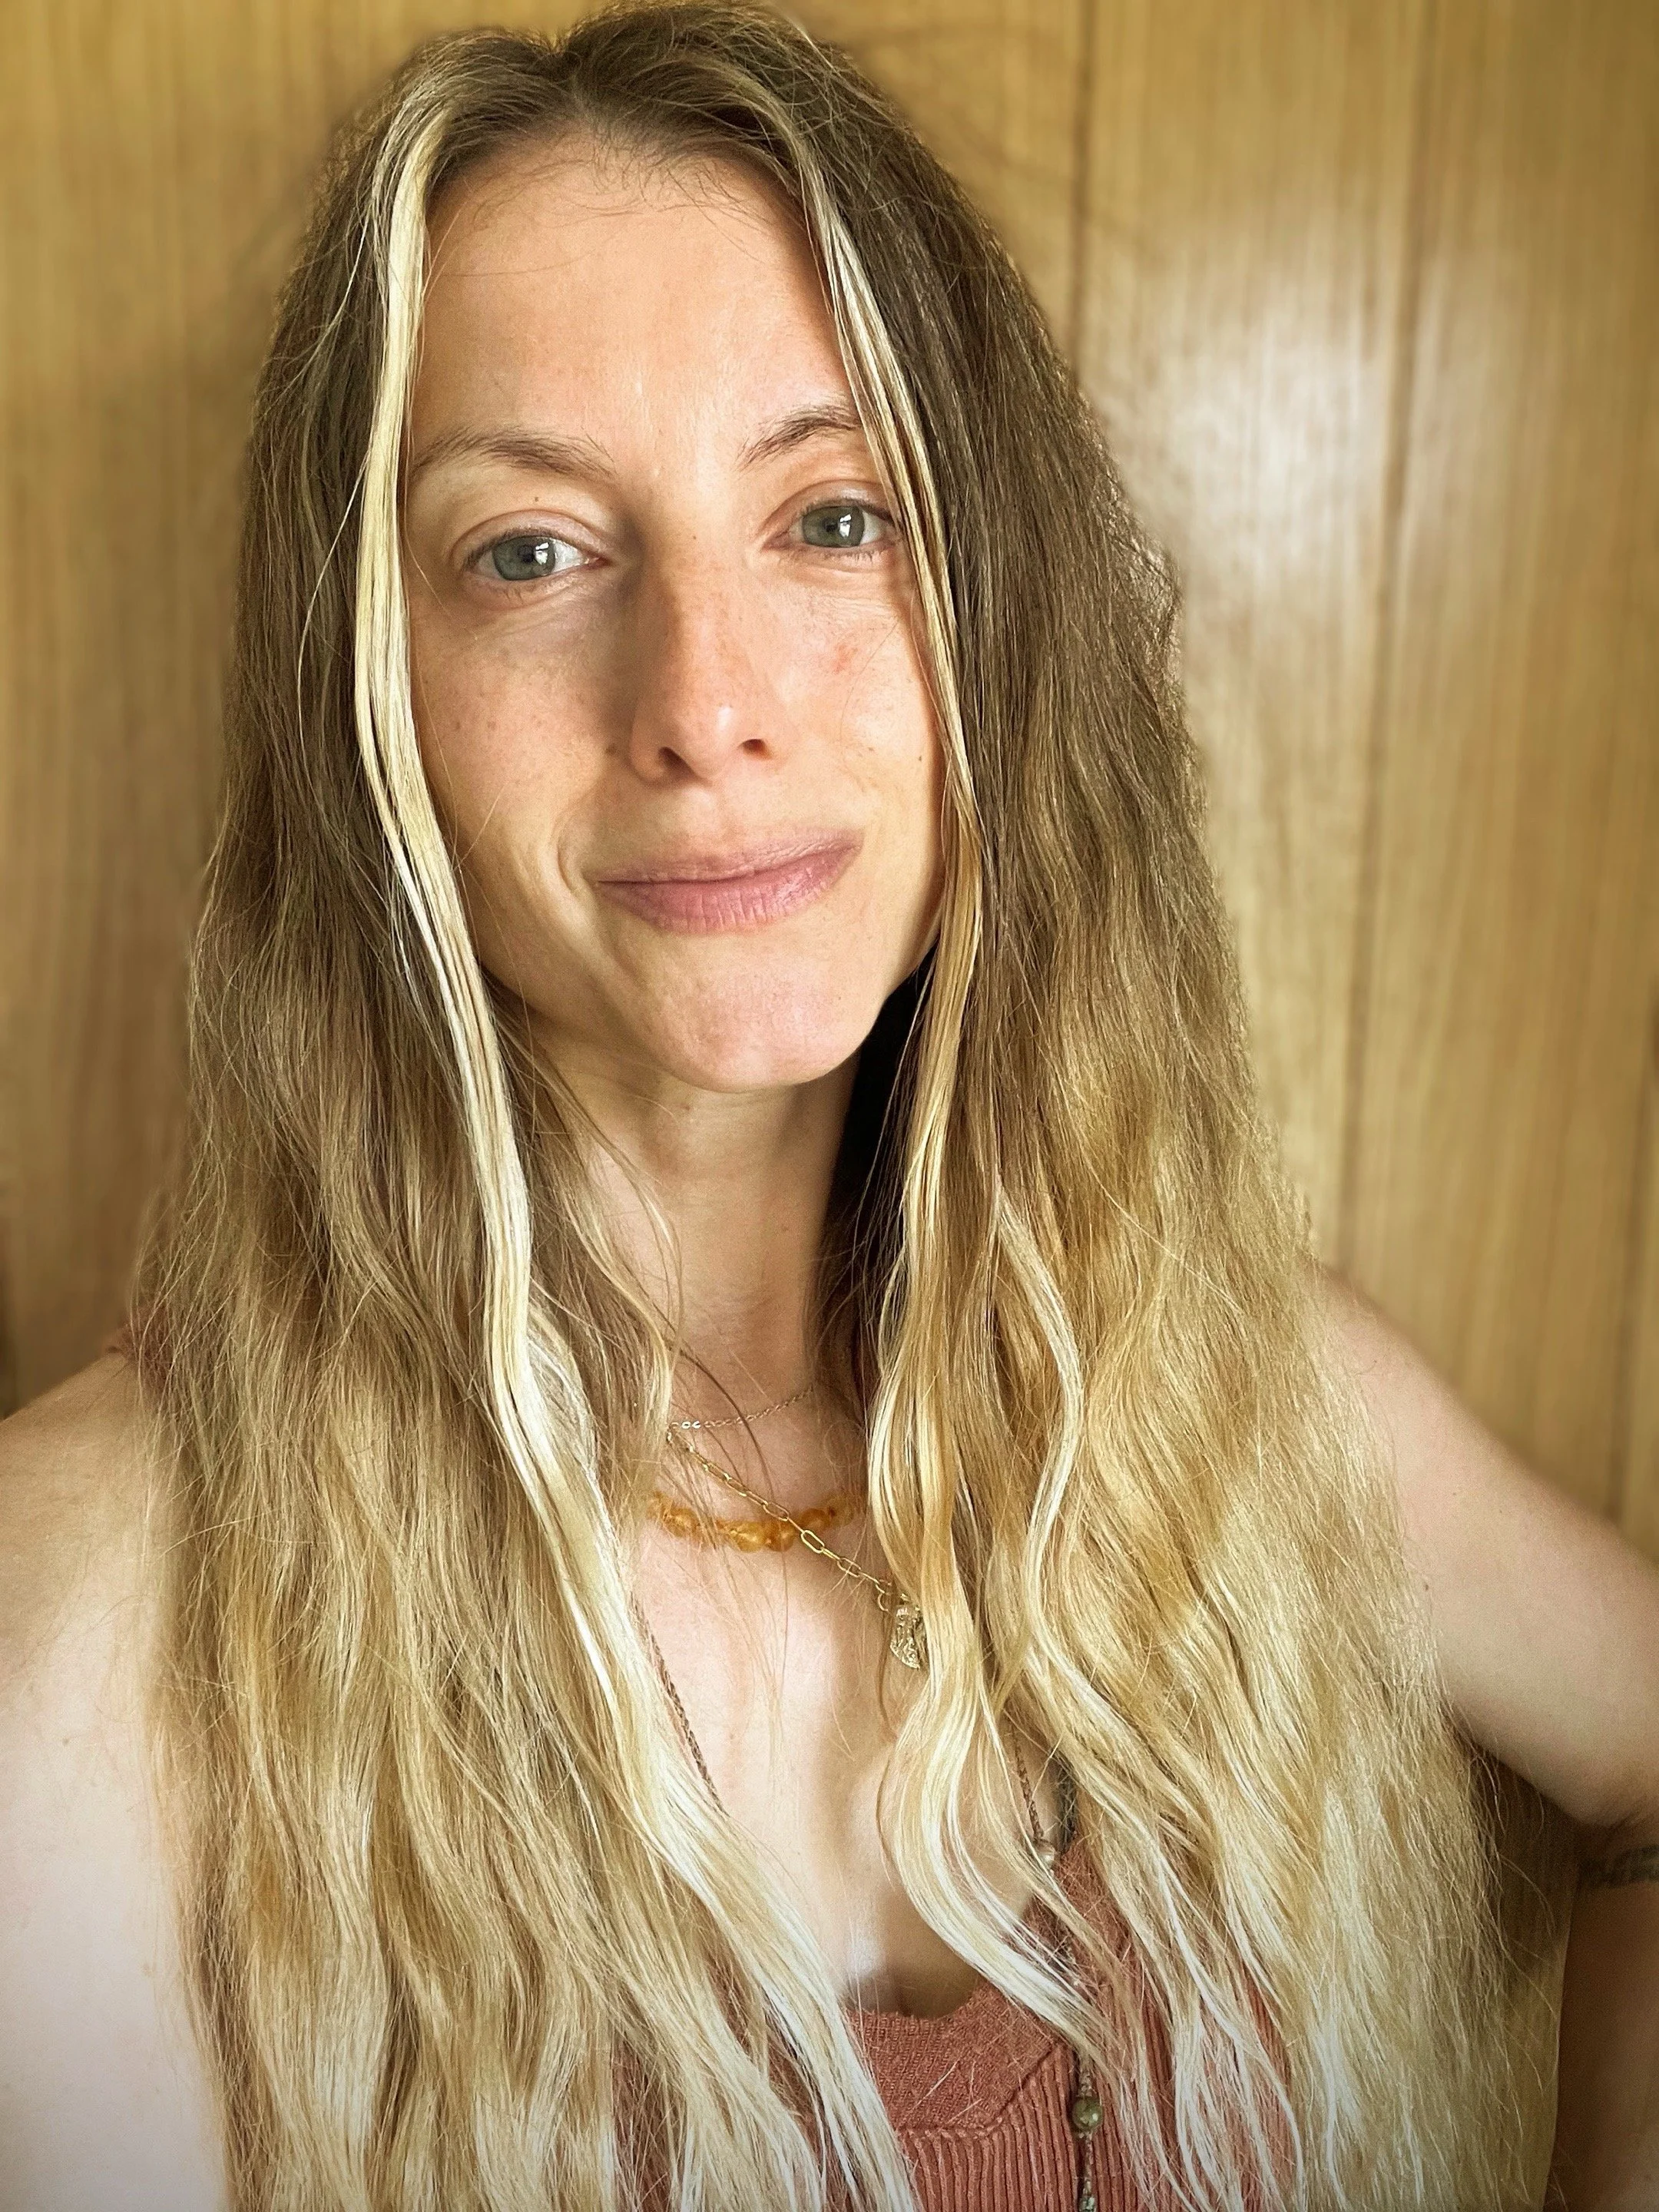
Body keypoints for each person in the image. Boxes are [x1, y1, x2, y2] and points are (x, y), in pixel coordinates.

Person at [2, 7, 1656, 2208]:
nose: (703, 703)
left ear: (1002, 614)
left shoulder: (1245, 1418)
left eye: (835, 514)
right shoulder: (104, 1616)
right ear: (369, 689)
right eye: (531, 552)